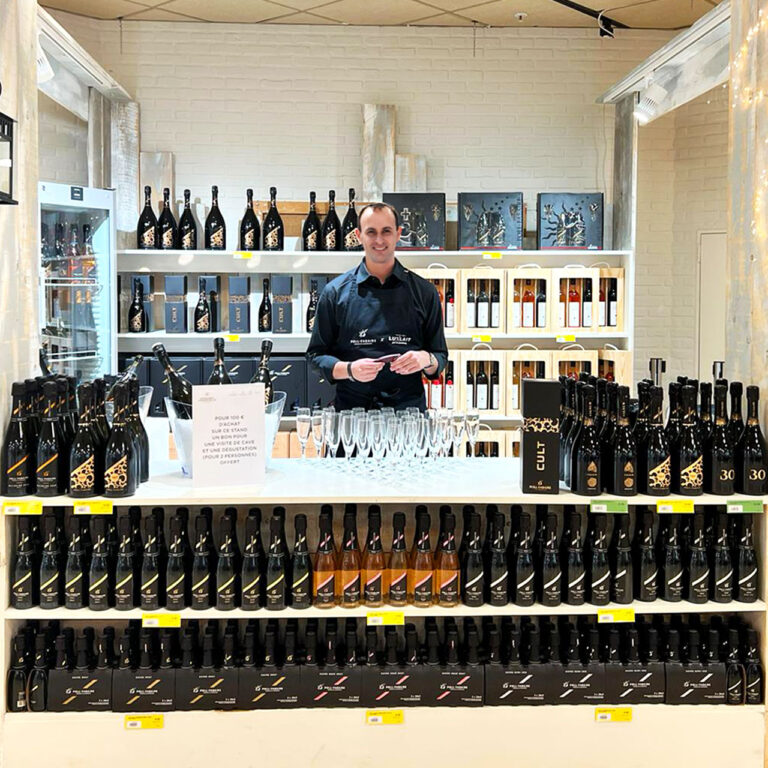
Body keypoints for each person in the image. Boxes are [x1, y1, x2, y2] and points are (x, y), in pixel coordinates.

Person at [306, 202, 447, 411]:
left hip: (408, 417)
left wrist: (425, 359)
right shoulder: (334, 293)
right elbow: (315, 357)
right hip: (352, 416)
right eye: (371, 232)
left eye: (386, 231)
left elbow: (440, 356)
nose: (379, 240)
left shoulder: (425, 292)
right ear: (359, 235)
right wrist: (349, 369)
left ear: (398, 234)